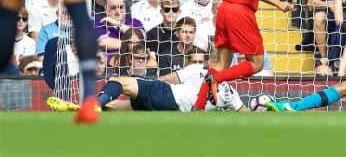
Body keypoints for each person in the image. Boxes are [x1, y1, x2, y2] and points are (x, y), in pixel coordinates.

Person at [47, 63, 247, 113]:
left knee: (120, 81)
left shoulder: (199, 70)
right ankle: (82, 108)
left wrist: (149, 83)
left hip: (167, 94)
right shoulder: (231, 94)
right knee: (117, 107)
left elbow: (170, 78)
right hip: (172, 110)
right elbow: (244, 112)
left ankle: (93, 105)